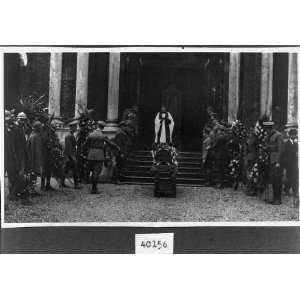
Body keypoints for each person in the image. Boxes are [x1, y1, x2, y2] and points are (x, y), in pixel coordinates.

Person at [263, 121, 284, 205]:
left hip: (276, 161)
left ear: (270, 128)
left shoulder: (278, 135)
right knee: (273, 179)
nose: (265, 131)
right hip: (270, 160)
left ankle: (278, 199)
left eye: (266, 129)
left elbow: (281, 150)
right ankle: (274, 197)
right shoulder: (268, 135)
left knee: (277, 180)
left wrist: (278, 161)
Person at [85, 121, 107, 194]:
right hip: (99, 155)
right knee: (96, 172)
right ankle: (94, 189)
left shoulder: (91, 134)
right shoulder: (103, 136)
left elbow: (86, 144)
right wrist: (117, 147)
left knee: (91, 170)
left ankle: (89, 185)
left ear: (97, 126)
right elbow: (110, 143)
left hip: (91, 154)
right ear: (103, 127)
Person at [62, 120, 80, 189]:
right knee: (75, 170)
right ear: (71, 128)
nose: (76, 128)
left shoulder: (71, 135)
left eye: (76, 127)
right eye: (75, 127)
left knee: (66, 169)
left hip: (69, 156)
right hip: (70, 156)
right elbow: (69, 148)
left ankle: (62, 183)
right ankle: (76, 185)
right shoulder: (69, 136)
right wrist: (72, 157)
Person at [27, 120, 44, 195]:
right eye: (40, 128)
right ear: (38, 128)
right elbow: (34, 150)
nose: (41, 129)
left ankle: (32, 189)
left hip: (34, 159)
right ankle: (31, 190)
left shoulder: (34, 135)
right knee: (33, 174)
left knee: (34, 175)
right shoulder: (35, 137)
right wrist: (35, 161)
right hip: (34, 159)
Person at [282, 128, 298, 204]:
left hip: (294, 163)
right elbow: (284, 154)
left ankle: (295, 191)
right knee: (288, 177)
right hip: (288, 164)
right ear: (290, 135)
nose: (294, 136)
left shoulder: (296, 144)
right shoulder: (286, 143)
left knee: (294, 177)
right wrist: (285, 163)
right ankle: (286, 190)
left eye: (295, 134)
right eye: (293, 134)